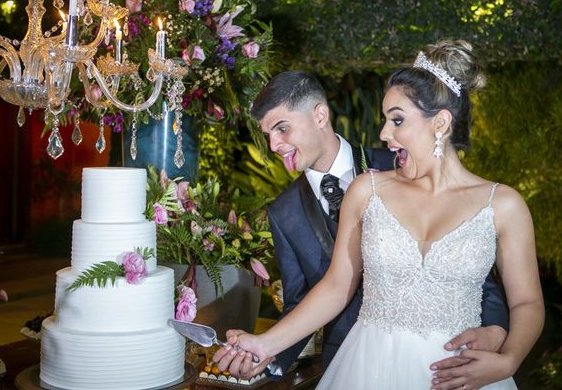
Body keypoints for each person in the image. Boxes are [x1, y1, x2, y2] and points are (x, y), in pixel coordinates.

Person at [215, 42, 544, 389]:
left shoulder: (503, 205)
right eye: (386, 120)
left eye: (397, 120)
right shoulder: (367, 190)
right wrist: (265, 344)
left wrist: (507, 359)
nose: (384, 134)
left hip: (461, 372)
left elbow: (526, 302)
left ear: (441, 123)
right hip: (368, 367)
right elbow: (336, 286)